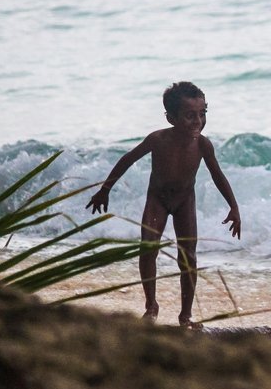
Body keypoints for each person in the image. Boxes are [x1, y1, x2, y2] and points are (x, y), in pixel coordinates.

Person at [86, 81, 241, 327]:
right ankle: (151, 305)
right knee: (148, 250)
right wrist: (105, 190)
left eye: (202, 114)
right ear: (171, 118)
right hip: (157, 200)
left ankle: (186, 314)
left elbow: (218, 175)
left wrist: (234, 206)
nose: (198, 121)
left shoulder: (203, 144)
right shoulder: (157, 140)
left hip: (184, 201)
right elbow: (127, 159)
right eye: (190, 116)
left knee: (188, 256)